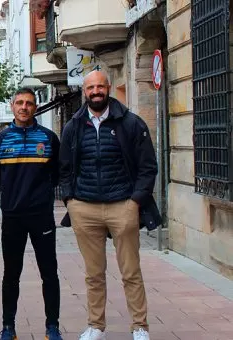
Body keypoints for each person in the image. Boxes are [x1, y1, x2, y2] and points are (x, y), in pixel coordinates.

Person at [59, 71, 160, 340]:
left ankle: (140, 326)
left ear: (108, 88)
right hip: (85, 208)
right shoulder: (73, 126)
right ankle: (95, 326)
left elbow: (148, 167)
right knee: (94, 274)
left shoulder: (130, 123)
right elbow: (64, 168)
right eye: (90, 87)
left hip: (122, 206)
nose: (95, 91)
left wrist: (136, 201)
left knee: (131, 272)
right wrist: (71, 201)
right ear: (85, 91)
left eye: (100, 86)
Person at [0, 88, 62, 340]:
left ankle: (52, 326)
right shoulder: (0, 140)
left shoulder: (49, 138)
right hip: (12, 216)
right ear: (12, 106)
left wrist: (39, 196)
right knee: (11, 274)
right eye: (19, 102)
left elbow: (56, 174)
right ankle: (8, 326)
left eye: (29, 103)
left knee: (49, 272)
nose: (24, 107)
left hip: (41, 215)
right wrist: (11, 194)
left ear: (36, 107)